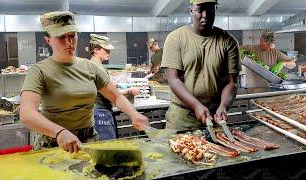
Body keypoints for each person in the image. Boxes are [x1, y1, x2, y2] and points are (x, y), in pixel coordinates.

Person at [20, 11, 149, 153]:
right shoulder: (39, 71)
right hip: (55, 143)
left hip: (89, 140)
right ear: (48, 40)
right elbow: (27, 113)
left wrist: (134, 114)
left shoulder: (90, 67)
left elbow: (116, 96)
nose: (69, 42)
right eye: (62, 37)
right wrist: (59, 132)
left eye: (72, 36)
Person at [161, 0, 241, 130]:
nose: (205, 15)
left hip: (215, 116)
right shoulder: (175, 38)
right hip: (182, 117)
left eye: (210, 9)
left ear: (215, 10)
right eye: (200, 9)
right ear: (191, 10)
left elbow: (231, 82)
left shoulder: (228, 41)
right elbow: (173, 79)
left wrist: (223, 106)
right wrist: (195, 105)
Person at [85, 34, 139, 140]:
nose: (109, 53)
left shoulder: (94, 65)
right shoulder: (97, 67)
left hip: (98, 112)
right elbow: (108, 93)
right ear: (96, 50)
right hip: (100, 113)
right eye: (106, 50)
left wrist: (117, 85)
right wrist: (128, 90)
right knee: (108, 148)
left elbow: (104, 86)